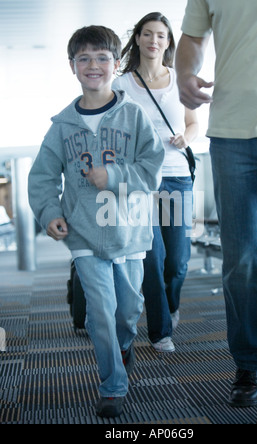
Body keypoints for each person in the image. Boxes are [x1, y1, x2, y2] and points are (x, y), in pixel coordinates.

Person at [28, 25, 165, 418]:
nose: (93, 65)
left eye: (102, 57)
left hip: (130, 232)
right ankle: (112, 385)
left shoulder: (134, 116)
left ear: (116, 64)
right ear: (72, 66)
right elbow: (41, 177)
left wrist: (116, 176)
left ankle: (124, 347)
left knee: (127, 311)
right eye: (84, 58)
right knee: (100, 313)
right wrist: (50, 213)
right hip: (85, 232)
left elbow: (152, 170)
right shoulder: (62, 126)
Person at [176, 0, 257, 407]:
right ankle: (248, 362)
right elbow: (193, 37)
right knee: (242, 256)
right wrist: (184, 74)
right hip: (231, 129)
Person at [113, 12, 199, 353]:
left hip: (177, 176)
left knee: (177, 261)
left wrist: (185, 138)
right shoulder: (121, 85)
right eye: (147, 34)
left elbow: (193, 123)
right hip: (140, 181)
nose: (153, 41)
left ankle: (171, 304)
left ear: (168, 42)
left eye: (161, 36)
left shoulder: (181, 79)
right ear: (137, 39)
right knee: (152, 256)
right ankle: (161, 331)